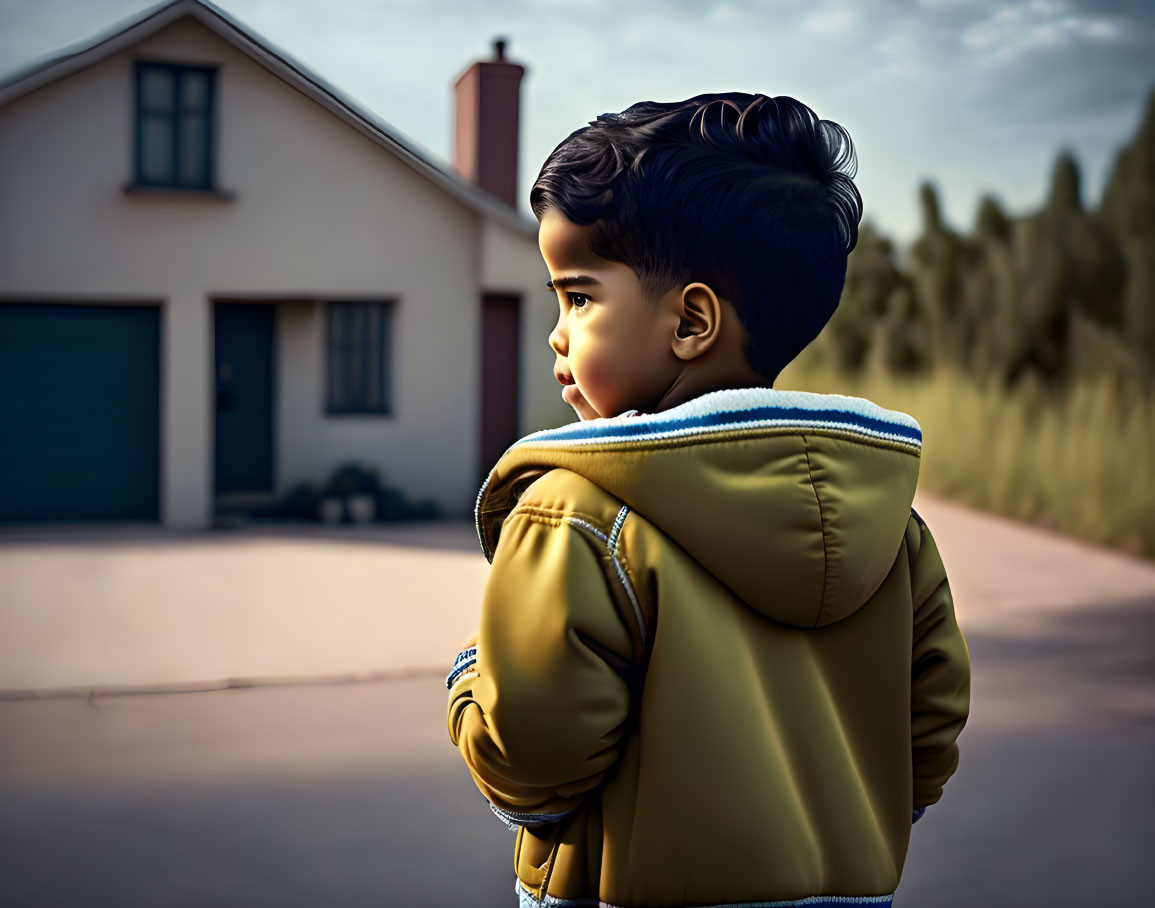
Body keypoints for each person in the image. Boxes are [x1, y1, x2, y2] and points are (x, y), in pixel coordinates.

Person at [446, 92, 971, 908]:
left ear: (690, 321)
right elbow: (926, 733)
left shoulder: (577, 514)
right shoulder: (891, 527)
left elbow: (533, 772)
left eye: (578, 297)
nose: (557, 332)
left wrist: (470, 681)